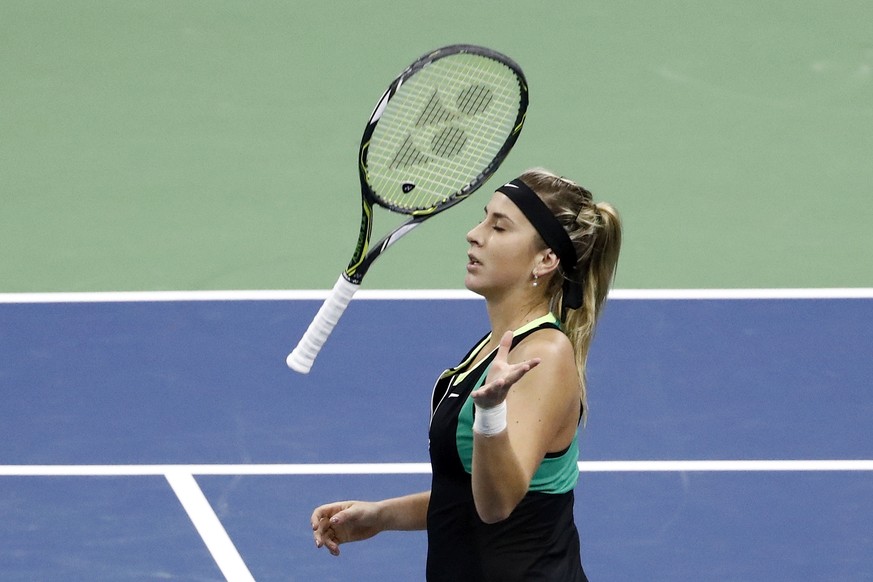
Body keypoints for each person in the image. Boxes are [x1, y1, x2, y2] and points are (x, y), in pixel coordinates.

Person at [311, 168, 622, 581]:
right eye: (483, 218)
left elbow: (498, 505)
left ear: (545, 259)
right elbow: (467, 493)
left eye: (499, 226)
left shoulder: (544, 356)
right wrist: (381, 515)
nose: (474, 234)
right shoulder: (493, 347)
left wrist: (490, 415)